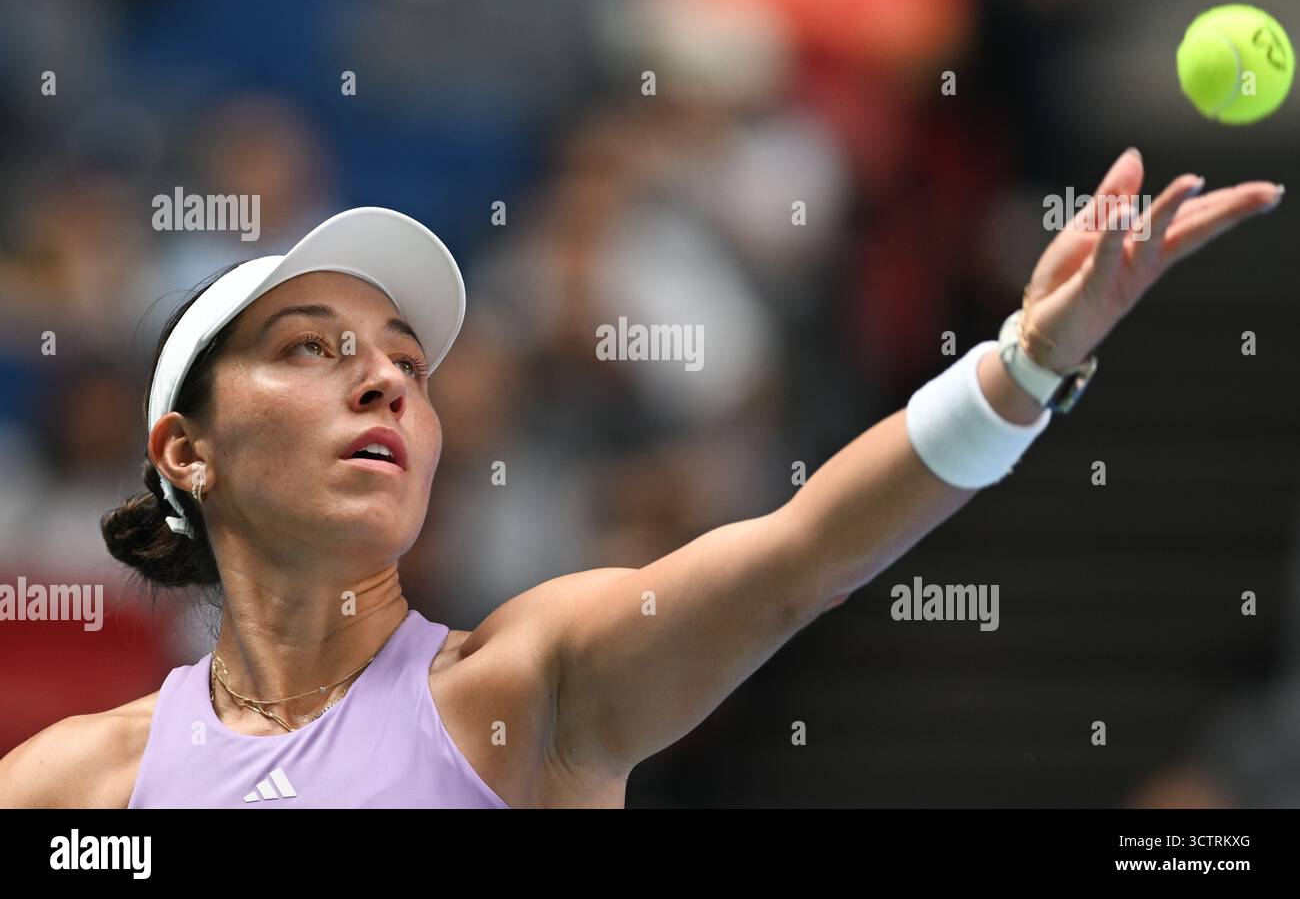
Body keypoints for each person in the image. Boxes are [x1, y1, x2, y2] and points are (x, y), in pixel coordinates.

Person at [0, 150, 1282, 807]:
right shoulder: (68, 788)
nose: (389, 381)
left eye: (405, 360)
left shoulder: (530, 683)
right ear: (187, 450)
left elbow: (802, 555)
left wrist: (1024, 359)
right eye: (309, 352)